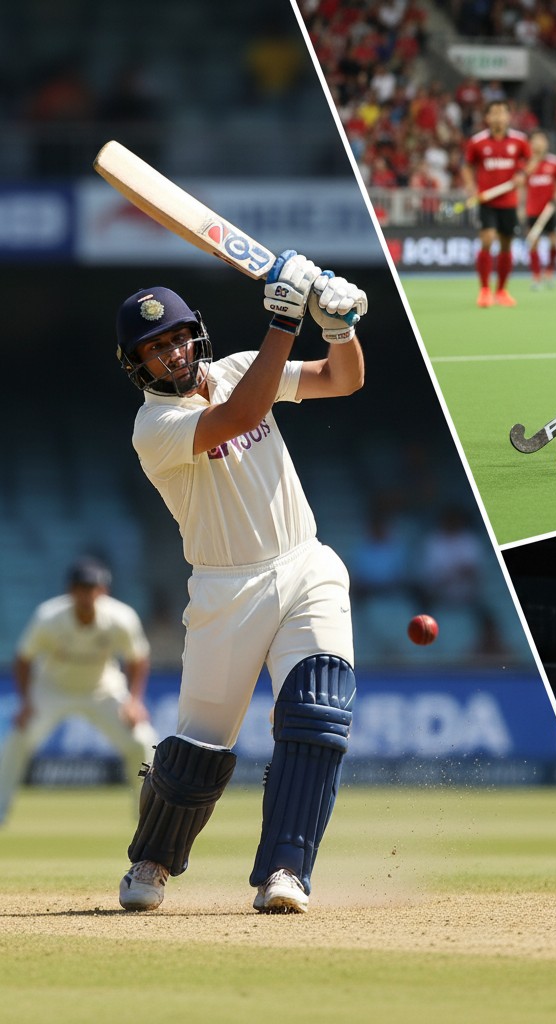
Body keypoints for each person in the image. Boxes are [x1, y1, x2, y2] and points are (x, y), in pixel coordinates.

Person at [113, 250, 368, 915]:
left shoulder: (232, 370)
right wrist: (286, 319)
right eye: (154, 348)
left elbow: (343, 382)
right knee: (195, 751)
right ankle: (153, 859)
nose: (171, 354)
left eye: (176, 337)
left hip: (306, 563)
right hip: (227, 591)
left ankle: (286, 871)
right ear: (136, 364)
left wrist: (338, 327)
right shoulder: (153, 428)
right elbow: (240, 419)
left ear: (195, 333)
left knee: (318, 718)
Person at [0, 558, 156, 824]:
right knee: (16, 740)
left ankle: (148, 815)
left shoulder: (121, 618)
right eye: (82, 588)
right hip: (52, 690)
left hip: (103, 689)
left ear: (103, 591)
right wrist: (26, 702)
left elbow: (138, 657)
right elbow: (24, 659)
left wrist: (134, 701)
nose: (88, 594)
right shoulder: (48, 617)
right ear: (70, 590)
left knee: (142, 741)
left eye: (93, 588)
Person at [462, 98, 530, 308]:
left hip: (509, 202)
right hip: (487, 201)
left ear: (509, 116)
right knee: (487, 238)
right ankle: (484, 290)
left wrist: (522, 175)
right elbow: (467, 167)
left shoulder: (519, 141)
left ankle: (501, 290)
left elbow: (529, 163)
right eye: (495, 113)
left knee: (506, 244)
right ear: (487, 117)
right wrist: (472, 188)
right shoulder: (478, 141)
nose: (499, 116)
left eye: (503, 112)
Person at [524, 130, 556, 289]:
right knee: (533, 242)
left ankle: (549, 273)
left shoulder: (555, 162)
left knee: (555, 242)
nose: (539, 144)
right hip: (532, 210)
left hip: (549, 210)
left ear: (547, 144)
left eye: (542, 141)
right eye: (535, 141)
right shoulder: (526, 164)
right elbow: (521, 185)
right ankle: (536, 277)